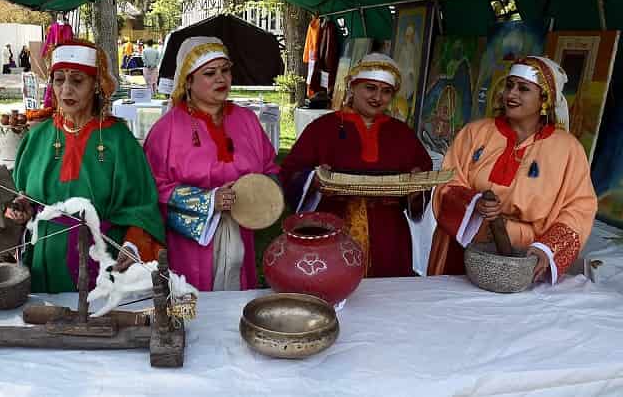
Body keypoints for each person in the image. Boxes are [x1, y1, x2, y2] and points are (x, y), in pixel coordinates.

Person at [5, 39, 165, 293]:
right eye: (59, 80)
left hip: (101, 259)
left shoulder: (118, 140)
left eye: (77, 81)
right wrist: (21, 208)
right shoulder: (37, 137)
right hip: (44, 257)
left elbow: (143, 207)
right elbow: (21, 195)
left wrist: (133, 244)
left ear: (96, 86)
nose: (66, 89)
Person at [428, 56, 597, 284]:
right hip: (463, 244)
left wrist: (547, 250)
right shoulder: (475, 133)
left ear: (544, 99)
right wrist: (474, 203)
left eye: (523, 89)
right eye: (509, 85)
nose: (511, 94)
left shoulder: (568, 149)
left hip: (526, 255)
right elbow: (446, 182)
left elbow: (579, 207)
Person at [144, 37, 279, 291]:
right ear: (188, 81)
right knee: (194, 310)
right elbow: (150, 187)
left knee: (237, 303)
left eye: (225, 70)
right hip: (190, 243)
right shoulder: (167, 129)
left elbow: (270, 167)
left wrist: (263, 192)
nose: (221, 79)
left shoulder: (247, 120)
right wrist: (208, 201)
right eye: (210, 73)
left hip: (241, 231)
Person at [280, 53, 433, 278]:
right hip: (332, 227)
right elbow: (290, 171)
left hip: (388, 233)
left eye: (386, 91)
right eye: (370, 88)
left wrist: (416, 186)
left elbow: (422, 177)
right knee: (333, 289)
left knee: (386, 297)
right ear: (353, 86)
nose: (377, 97)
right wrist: (313, 180)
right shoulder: (322, 129)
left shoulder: (402, 134)